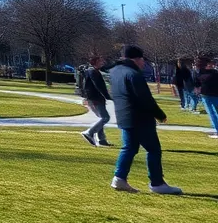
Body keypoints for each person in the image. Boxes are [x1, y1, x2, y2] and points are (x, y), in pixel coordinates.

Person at [109, 44, 182, 194]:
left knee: (129, 148)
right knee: (153, 149)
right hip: (140, 117)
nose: (144, 63)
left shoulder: (115, 72)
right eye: (143, 60)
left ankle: (119, 178)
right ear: (136, 59)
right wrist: (160, 114)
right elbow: (145, 99)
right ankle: (157, 183)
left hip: (124, 116)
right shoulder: (133, 74)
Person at [79, 55, 112, 147]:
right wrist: (108, 96)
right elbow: (98, 86)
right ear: (95, 62)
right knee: (105, 118)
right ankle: (89, 133)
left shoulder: (94, 71)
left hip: (97, 98)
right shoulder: (92, 72)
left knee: (102, 117)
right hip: (94, 99)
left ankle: (102, 140)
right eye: (100, 61)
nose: (102, 62)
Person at [195, 54, 218, 138]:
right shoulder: (213, 72)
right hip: (210, 94)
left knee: (212, 113)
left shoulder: (203, 73)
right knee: (213, 112)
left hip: (208, 95)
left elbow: (198, 83)